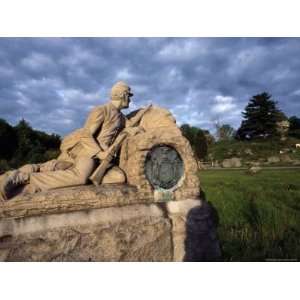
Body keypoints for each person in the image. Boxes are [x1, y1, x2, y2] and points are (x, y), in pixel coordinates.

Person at [0, 81, 142, 202]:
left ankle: (57, 166)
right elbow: (86, 134)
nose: (130, 99)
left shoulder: (121, 118)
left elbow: (130, 127)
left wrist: (134, 129)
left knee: (118, 177)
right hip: (90, 152)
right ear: (122, 95)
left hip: (104, 158)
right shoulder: (102, 110)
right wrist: (100, 154)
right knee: (80, 178)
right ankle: (23, 177)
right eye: (129, 96)